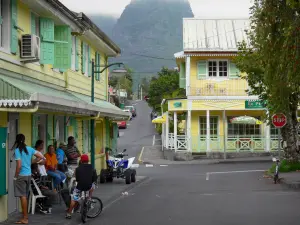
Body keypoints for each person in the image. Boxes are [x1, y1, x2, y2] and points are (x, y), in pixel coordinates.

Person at [13, 134, 45, 224]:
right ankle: (25, 217)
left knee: (22, 196)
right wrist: (32, 161)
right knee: (25, 196)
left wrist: (15, 176)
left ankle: (25, 218)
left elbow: (19, 166)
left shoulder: (17, 150)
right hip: (28, 175)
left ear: (16, 141)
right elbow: (41, 157)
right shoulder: (29, 149)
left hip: (21, 175)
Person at [65, 154, 97, 219]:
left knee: (74, 199)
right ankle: (89, 198)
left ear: (81, 161)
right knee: (93, 185)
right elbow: (94, 178)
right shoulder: (92, 168)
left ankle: (69, 214)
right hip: (89, 186)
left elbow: (77, 179)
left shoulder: (77, 169)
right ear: (88, 161)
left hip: (80, 187)